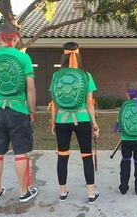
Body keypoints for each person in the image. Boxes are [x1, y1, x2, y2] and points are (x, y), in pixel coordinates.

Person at [0, 23, 38, 202]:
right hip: (18, 109)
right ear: (15, 38)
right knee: (20, 152)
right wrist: (32, 110)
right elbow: (30, 88)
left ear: (0, 37)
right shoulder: (23, 58)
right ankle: (23, 192)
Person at [49, 42, 99, 204]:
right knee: (86, 155)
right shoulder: (86, 76)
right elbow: (90, 103)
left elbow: (55, 102)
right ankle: (91, 194)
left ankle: (63, 192)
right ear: (78, 55)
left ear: (63, 56)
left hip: (62, 120)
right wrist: (94, 124)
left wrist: (53, 122)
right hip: (83, 119)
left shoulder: (56, 76)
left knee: (62, 156)